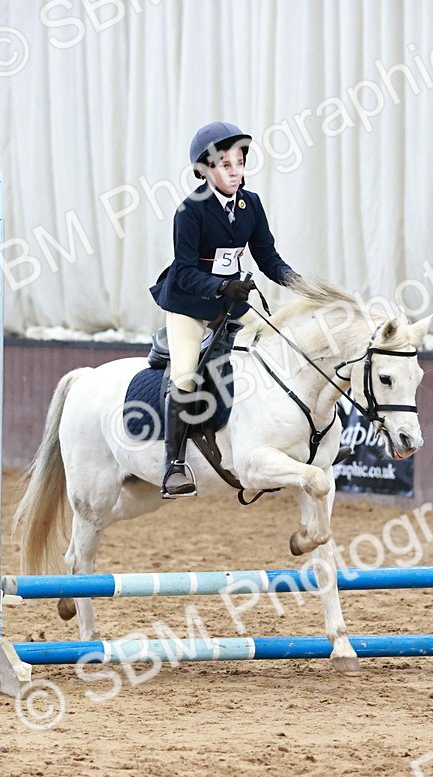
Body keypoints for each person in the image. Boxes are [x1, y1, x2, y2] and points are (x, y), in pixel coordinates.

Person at [149, 121, 300, 498]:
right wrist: (220, 285)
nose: (235, 172)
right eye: (225, 165)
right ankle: (174, 466)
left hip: (231, 302)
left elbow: (267, 258)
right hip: (189, 305)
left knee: (282, 344)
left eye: (239, 163)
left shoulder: (251, 205)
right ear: (203, 170)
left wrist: (301, 285)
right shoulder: (190, 211)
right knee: (184, 375)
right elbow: (183, 271)